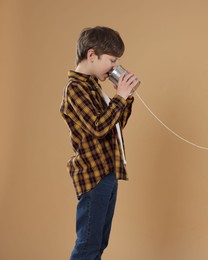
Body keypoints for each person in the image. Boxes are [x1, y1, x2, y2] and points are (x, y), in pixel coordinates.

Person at [60, 26, 140, 259]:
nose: (115, 67)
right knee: (88, 244)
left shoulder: (94, 87)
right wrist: (120, 98)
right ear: (92, 55)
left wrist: (126, 98)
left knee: (99, 242)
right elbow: (98, 127)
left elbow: (114, 126)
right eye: (112, 60)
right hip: (93, 175)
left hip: (107, 173)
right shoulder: (75, 89)